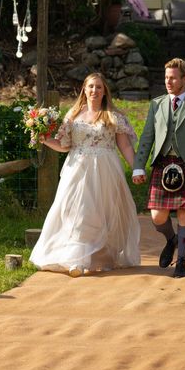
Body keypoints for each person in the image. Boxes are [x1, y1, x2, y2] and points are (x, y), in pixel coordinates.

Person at [29, 73, 141, 277]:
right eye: (91, 86)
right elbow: (64, 145)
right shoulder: (73, 115)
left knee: (100, 214)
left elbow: (124, 146)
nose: (94, 91)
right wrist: (43, 138)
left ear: (105, 91)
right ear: (84, 89)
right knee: (77, 213)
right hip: (77, 171)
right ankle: (76, 260)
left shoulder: (113, 116)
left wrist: (137, 168)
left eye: (99, 87)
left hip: (106, 170)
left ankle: (98, 257)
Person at [132, 58, 185, 278]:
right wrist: (139, 166)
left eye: (173, 78)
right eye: (166, 77)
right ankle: (172, 239)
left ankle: (182, 262)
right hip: (163, 164)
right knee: (157, 216)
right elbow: (147, 137)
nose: (168, 81)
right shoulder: (157, 104)